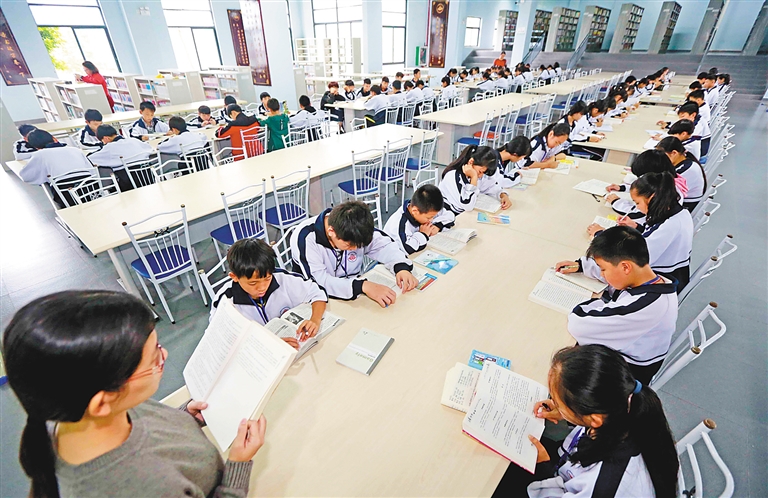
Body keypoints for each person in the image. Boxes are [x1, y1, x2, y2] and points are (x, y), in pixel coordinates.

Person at [2, 290, 265, 498]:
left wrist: (185, 417)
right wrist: (238, 464)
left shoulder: (70, 409)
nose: (165, 354)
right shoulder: (139, 487)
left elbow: (148, 433)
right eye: (154, 358)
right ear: (102, 403)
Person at [494, 344, 679, 496]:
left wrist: (543, 468)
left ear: (593, 419)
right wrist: (566, 413)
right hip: (568, 470)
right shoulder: (621, 411)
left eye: (559, 402)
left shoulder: (602, 484)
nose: (555, 405)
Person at [555, 227, 679, 383]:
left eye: (603, 269)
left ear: (625, 267)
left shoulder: (647, 306)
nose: (602, 274)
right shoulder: (650, 279)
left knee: (559, 365)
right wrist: (582, 266)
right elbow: (617, 279)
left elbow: (579, 325)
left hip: (625, 373)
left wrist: (595, 303)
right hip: (630, 355)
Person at [290, 201, 419, 307]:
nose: (354, 249)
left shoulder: (355, 225)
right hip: (318, 300)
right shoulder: (305, 237)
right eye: (349, 246)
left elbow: (384, 245)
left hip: (354, 292)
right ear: (331, 232)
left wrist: (401, 267)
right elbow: (320, 282)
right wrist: (362, 286)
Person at [211, 239, 327, 349]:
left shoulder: (282, 278)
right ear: (234, 277)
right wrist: (270, 345)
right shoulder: (225, 301)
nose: (262, 288)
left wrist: (315, 320)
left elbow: (317, 292)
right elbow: (221, 340)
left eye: (267, 279)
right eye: (253, 283)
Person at [588, 171, 694, 290]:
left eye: (637, 202)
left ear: (652, 198)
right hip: (664, 270)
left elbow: (635, 256)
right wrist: (636, 226)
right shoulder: (673, 211)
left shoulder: (670, 225)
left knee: (605, 270)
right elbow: (652, 235)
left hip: (661, 280)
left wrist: (601, 236)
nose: (637, 207)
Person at [605, 150, 688, 226]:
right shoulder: (667, 181)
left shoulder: (665, 194)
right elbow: (642, 188)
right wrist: (622, 188)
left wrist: (615, 202)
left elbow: (637, 214)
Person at [19, 130, 96, 207]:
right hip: (92, 190)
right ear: (54, 138)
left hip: (66, 195)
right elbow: (92, 170)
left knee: (51, 182)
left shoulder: (40, 155)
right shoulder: (75, 150)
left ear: (36, 147)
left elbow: (26, 176)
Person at [438, 145, 510, 222]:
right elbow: (467, 205)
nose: (481, 176)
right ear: (471, 162)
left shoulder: (477, 175)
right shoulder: (452, 176)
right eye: (480, 172)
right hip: (446, 218)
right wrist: (474, 178)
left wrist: (503, 195)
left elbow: (492, 187)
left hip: (463, 216)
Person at [87, 125, 153, 191]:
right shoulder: (134, 141)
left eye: (102, 141)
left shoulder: (110, 148)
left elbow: (90, 159)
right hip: (149, 177)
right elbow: (150, 148)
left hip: (129, 184)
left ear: (106, 138)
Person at [383, 184, 444, 255]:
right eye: (428, 218)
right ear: (415, 211)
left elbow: (448, 215)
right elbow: (408, 248)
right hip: (393, 257)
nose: (431, 220)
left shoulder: (420, 208)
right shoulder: (399, 224)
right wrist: (423, 234)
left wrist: (437, 226)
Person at [656, 136, 707, 211]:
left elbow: (666, 191)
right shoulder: (685, 161)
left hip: (686, 206)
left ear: (674, 153)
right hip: (682, 201)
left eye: (663, 156)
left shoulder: (685, 170)